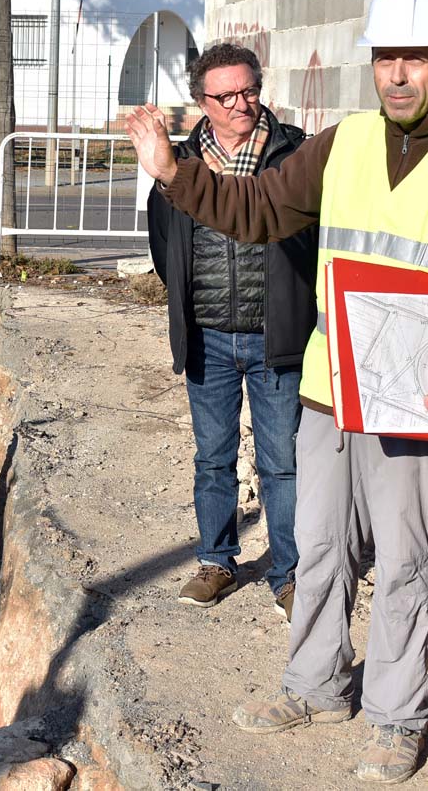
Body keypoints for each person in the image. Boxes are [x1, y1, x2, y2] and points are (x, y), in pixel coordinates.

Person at [126, 0, 428, 785]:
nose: (396, 75)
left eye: (415, 59)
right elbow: (253, 210)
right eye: (384, 58)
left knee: (404, 559)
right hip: (332, 389)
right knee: (319, 546)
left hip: (423, 403)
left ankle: (399, 713)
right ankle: (317, 683)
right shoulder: (342, 144)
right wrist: (173, 173)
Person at [146, 43, 316, 620]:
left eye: (249, 90)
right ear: (202, 102)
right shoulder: (180, 163)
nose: (241, 103)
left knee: (283, 462)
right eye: (226, 95)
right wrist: (190, 305)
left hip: (278, 338)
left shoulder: (294, 154)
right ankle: (218, 560)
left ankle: (289, 574)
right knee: (212, 458)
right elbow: (164, 245)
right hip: (209, 337)